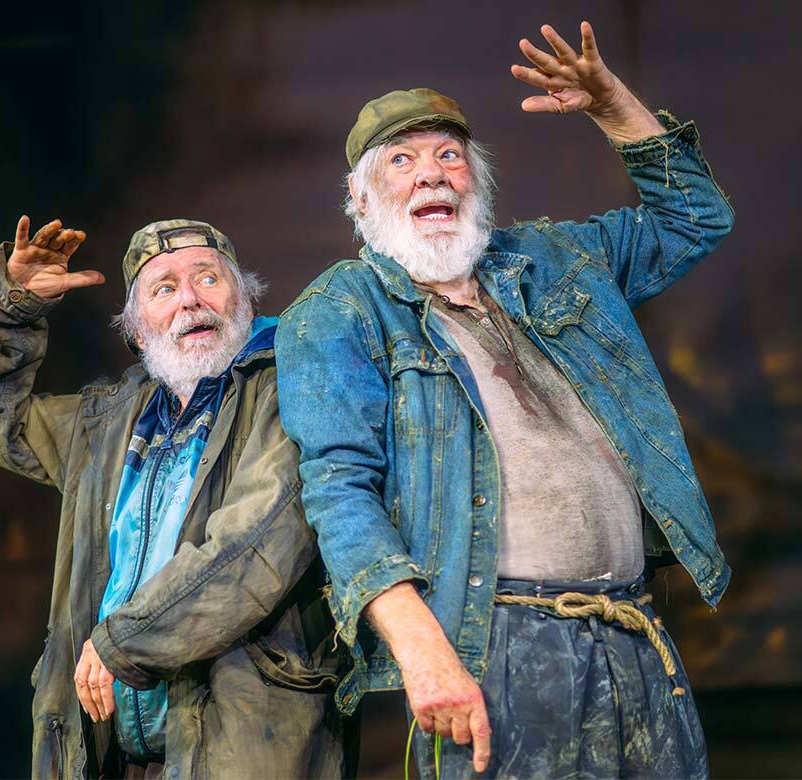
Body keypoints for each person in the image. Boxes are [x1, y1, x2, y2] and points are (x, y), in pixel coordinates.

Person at [275, 20, 734, 779]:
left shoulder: (556, 260)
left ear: (477, 183)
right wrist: (425, 654)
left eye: (450, 155)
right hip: (494, 646)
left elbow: (697, 218)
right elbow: (339, 491)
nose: (432, 174)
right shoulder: (341, 309)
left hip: (633, 632)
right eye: (402, 161)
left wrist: (611, 103)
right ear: (360, 202)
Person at [0, 217, 350, 779]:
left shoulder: (291, 389)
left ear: (246, 301)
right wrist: (11, 305)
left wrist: (120, 643)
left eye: (208, 278)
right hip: (116, 753)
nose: (190, 301)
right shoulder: (105, 424)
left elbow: (252, 547)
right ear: (135, 331)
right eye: (164, 288)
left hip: (245, 745)